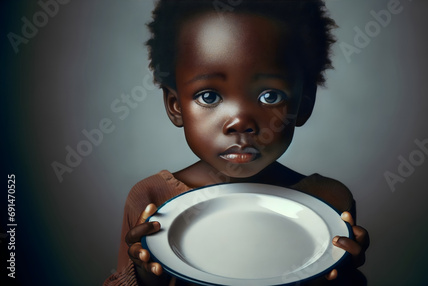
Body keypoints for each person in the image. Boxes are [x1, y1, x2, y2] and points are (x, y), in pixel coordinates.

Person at [104, 0, 369, 285]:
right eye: (209, 96)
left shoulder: (328, 204)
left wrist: (344, 278)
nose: (240, 121)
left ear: (303, 105)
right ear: (175, 106)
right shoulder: (151, 200)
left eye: (270, 96)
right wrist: (145, 277)